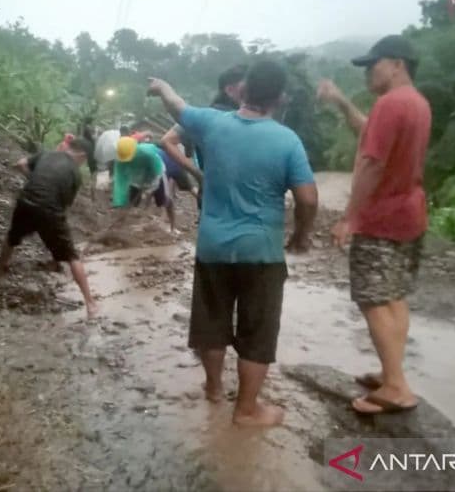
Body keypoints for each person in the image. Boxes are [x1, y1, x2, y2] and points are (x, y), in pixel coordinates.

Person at [147, 59, 318, 428]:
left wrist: (161, 87)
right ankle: (246, 410)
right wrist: (300, 236)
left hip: (212, 248)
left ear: (243, 90)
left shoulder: (211, 123)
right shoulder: (288, 140)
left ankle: (212, 388)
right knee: (258, 332)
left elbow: (177, 107)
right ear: (281, 97)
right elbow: (308, 200)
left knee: (211, 324)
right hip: (262, 252)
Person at [317, 34, 431, 415]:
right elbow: (367, 132)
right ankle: (391, 373)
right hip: (409, 214)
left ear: (397, 63)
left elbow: (371, 162)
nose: (368, 71)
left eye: (374, 64)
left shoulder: (389, 104)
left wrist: (350, 217)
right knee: (394, 295)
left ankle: (397, 386)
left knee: (373, 298)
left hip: (381, 218)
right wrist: (340, 102)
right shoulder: (416, 103)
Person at [0, 138, 98, 317]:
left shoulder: (47, 154)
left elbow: (20, 164)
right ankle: (90, 303)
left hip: (25, 200)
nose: (82, 164)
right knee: (72, 255)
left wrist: (33, 179)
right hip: (49, 208)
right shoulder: (74, 173)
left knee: (12, 237)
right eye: (84, 161)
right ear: (82, 155)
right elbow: (64, 207)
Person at [160, 64, 248, 209]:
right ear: (230, 90)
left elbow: (167, 140)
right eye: (246, 87)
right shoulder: (211, 117)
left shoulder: (205, 117)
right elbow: (167, 141)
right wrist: (197, 173)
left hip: (212, 194)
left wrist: (199, 175)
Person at [111, 136, 176, 232]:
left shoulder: (147, 153)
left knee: (165, 200)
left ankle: (172, 227)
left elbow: (158, 171)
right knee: (128, 201)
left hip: (157, 173)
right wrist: (119, 201)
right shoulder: (120, 158)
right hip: (137, 176)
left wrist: (150, 187)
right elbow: (120, 181)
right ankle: (118, 226)